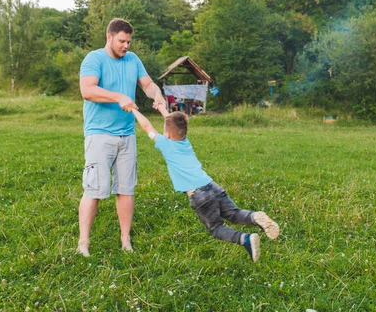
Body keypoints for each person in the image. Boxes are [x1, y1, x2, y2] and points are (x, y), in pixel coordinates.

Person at [131, 108, 279, 262]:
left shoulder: (165, 144)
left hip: (199, 195)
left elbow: (148, 127)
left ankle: (245, 239)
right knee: (234, 214)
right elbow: (174, 123)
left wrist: (134, 110)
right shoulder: (185, 142)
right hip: (212, 185)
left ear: (167, 134)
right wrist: (162, 109)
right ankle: (255, 217)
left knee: (216, 229)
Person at [78, 18, 165, 257]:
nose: (126, 46)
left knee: (126, 189)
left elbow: (147, 85)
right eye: (121, 41)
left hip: (127, 135)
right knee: (94, 189)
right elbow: (87, 90)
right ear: (109, 37)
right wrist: (117, 96)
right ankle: (83, 243)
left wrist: (156, 95)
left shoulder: (133, 60)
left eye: (128, 41)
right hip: (99, 134)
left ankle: (125, 240)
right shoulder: (95, 59)